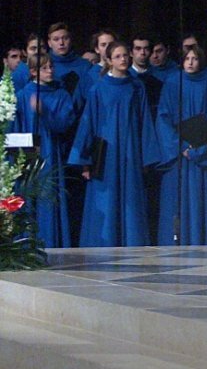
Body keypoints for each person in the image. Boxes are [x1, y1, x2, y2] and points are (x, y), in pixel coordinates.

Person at [66, 40, 162, 246]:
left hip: (130, 151)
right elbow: (88, 124)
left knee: (131, 199)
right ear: (108, 60)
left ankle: (132, 242)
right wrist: (85, 160)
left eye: (126, 55)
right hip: (105, 154)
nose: (124, 59)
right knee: (105, 199)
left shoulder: (137, 87)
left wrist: (147, 157)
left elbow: (145, 121)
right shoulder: (98, 89)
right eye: (118, 56)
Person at [157, 43, 207, 245]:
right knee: (176, 202)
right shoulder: (172, 83)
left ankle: (202, 242)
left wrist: (201, 149)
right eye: (187, 59)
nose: (190, 62)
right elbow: (163, 118)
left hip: (202, 156)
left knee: (201, 202)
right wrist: (181, 146)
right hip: (179, 156)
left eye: (194, 59)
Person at [14, 52, 77, 248]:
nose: (50, 70)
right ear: (33, 72)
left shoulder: (61, 94)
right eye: (44, 68)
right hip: (29, 157)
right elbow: (16, 127)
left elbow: (66, 124)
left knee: (50, 198)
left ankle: (51, 242)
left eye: (51, 67)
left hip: (52, 154)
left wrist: (45, 112)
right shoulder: (23, 96)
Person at [46, 22, 94, 103]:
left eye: (65, 38)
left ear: (71, 40)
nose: (61, 43)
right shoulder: (42, 66)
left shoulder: (85, 65)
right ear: (49, 43)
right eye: (56, 39)